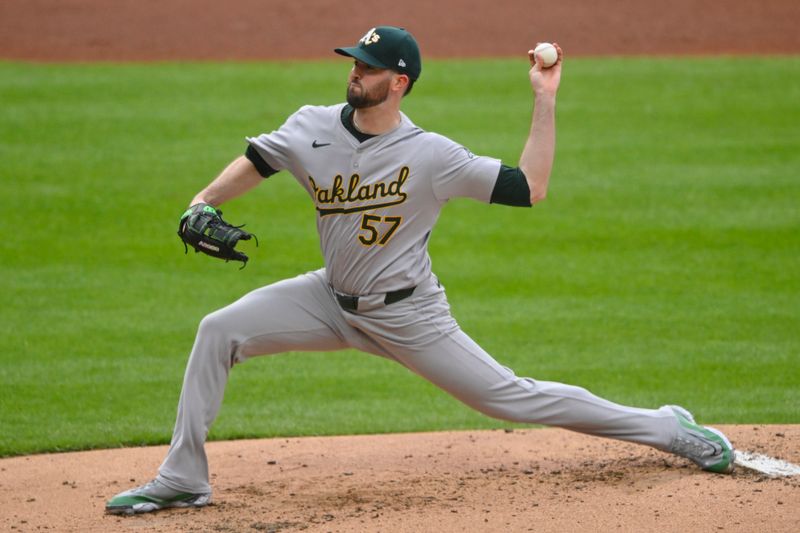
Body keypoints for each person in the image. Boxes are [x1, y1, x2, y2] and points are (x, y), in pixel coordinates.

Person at [106, 26, 734, 515]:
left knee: (512, 399)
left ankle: (666, 428)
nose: (356, 72)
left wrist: (544, 100)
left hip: (409, 313)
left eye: (369, 67)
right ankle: (184, 477)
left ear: (399, 82)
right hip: (329, 299)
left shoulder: (431, 155)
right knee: (219, 330)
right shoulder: (311, 126)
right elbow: (260, 158)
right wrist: (203, 202)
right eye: (354, 62)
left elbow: (531, 187)